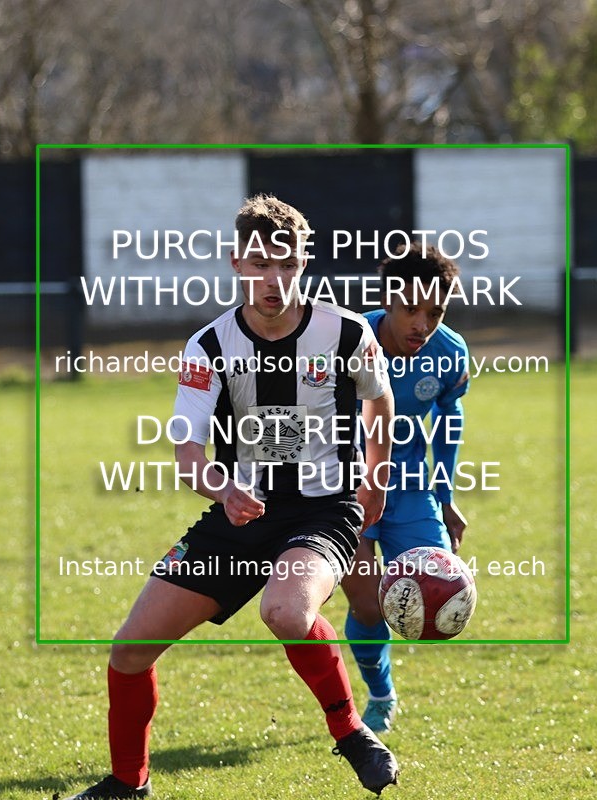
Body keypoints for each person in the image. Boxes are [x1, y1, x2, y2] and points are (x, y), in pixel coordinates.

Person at [63, 195, 399, 799]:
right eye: (260, 265)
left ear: (305, 262)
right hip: (240, 511)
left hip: (324, 509)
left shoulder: (346, 331)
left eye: (288, 265)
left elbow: (379, 398)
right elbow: (187, 450)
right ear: (236, 263)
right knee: (129, 651)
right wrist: (222, 487)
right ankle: (127, 782)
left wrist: (374, 478)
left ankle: (353, 734)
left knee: (286, 612)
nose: (275, 280)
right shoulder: (209, 346)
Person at [342, 241, 470, 734]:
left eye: (435, 312)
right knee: (369, 605)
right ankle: (380, 693)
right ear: (388, 300)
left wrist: (446, 494)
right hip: (341, 492)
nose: (422, 324)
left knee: (437, 591)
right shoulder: (346, 341)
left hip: (409, 486)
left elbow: (449, 419)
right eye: (410, 309)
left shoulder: (449, 352)